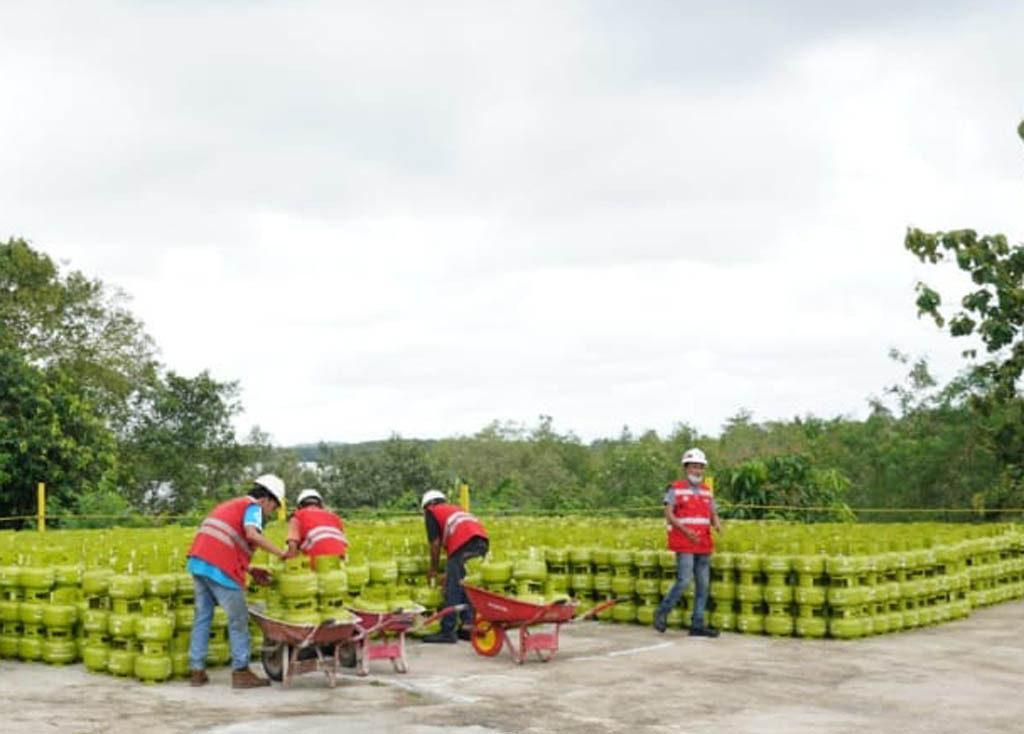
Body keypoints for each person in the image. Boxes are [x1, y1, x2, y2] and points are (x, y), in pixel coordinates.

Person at [187, 474, 294, 688]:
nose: (270, 514)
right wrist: (281, 553)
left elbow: (228, 539)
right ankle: (241, 671)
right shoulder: (253, 507)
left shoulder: (230, 505)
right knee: (238, 620)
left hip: (199, 563)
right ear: (267, 500)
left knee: (202, 618)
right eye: (273, 508)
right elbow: (251, 534)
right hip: (221, 568)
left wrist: (250, 569)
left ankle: (196, 670)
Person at [653, 448, 723, 637]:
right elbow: (669, 515)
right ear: (686, 468)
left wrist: (717, 523)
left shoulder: (707, 491)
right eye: (693, 466)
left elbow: (712, 512)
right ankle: (662, 611)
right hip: (684, 542)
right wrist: (686, 531)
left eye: (700, 467)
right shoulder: (675, 488)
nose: (697, 471)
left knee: (703, 585)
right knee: (684, 581)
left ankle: (697, 624)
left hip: (703, 543)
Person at [420, 490, 489, 643]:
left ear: (428, 504)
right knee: (466, 586)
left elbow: (435, 544)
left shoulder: (432, 511)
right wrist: (448, 571)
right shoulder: (455, 509)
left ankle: (447, 631)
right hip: (481, 543)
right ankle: (467, 626)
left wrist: (433, 569)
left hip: (463, 545)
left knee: (452, 588)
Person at [285, 488, 348, 569]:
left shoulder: (298, 516)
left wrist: (290, 564)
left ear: (300, 506)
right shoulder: (335, 517)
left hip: (316, 566)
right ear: (320, 504)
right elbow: (341, 545)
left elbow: (292, 544)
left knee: (291, 550)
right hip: (339, 566)